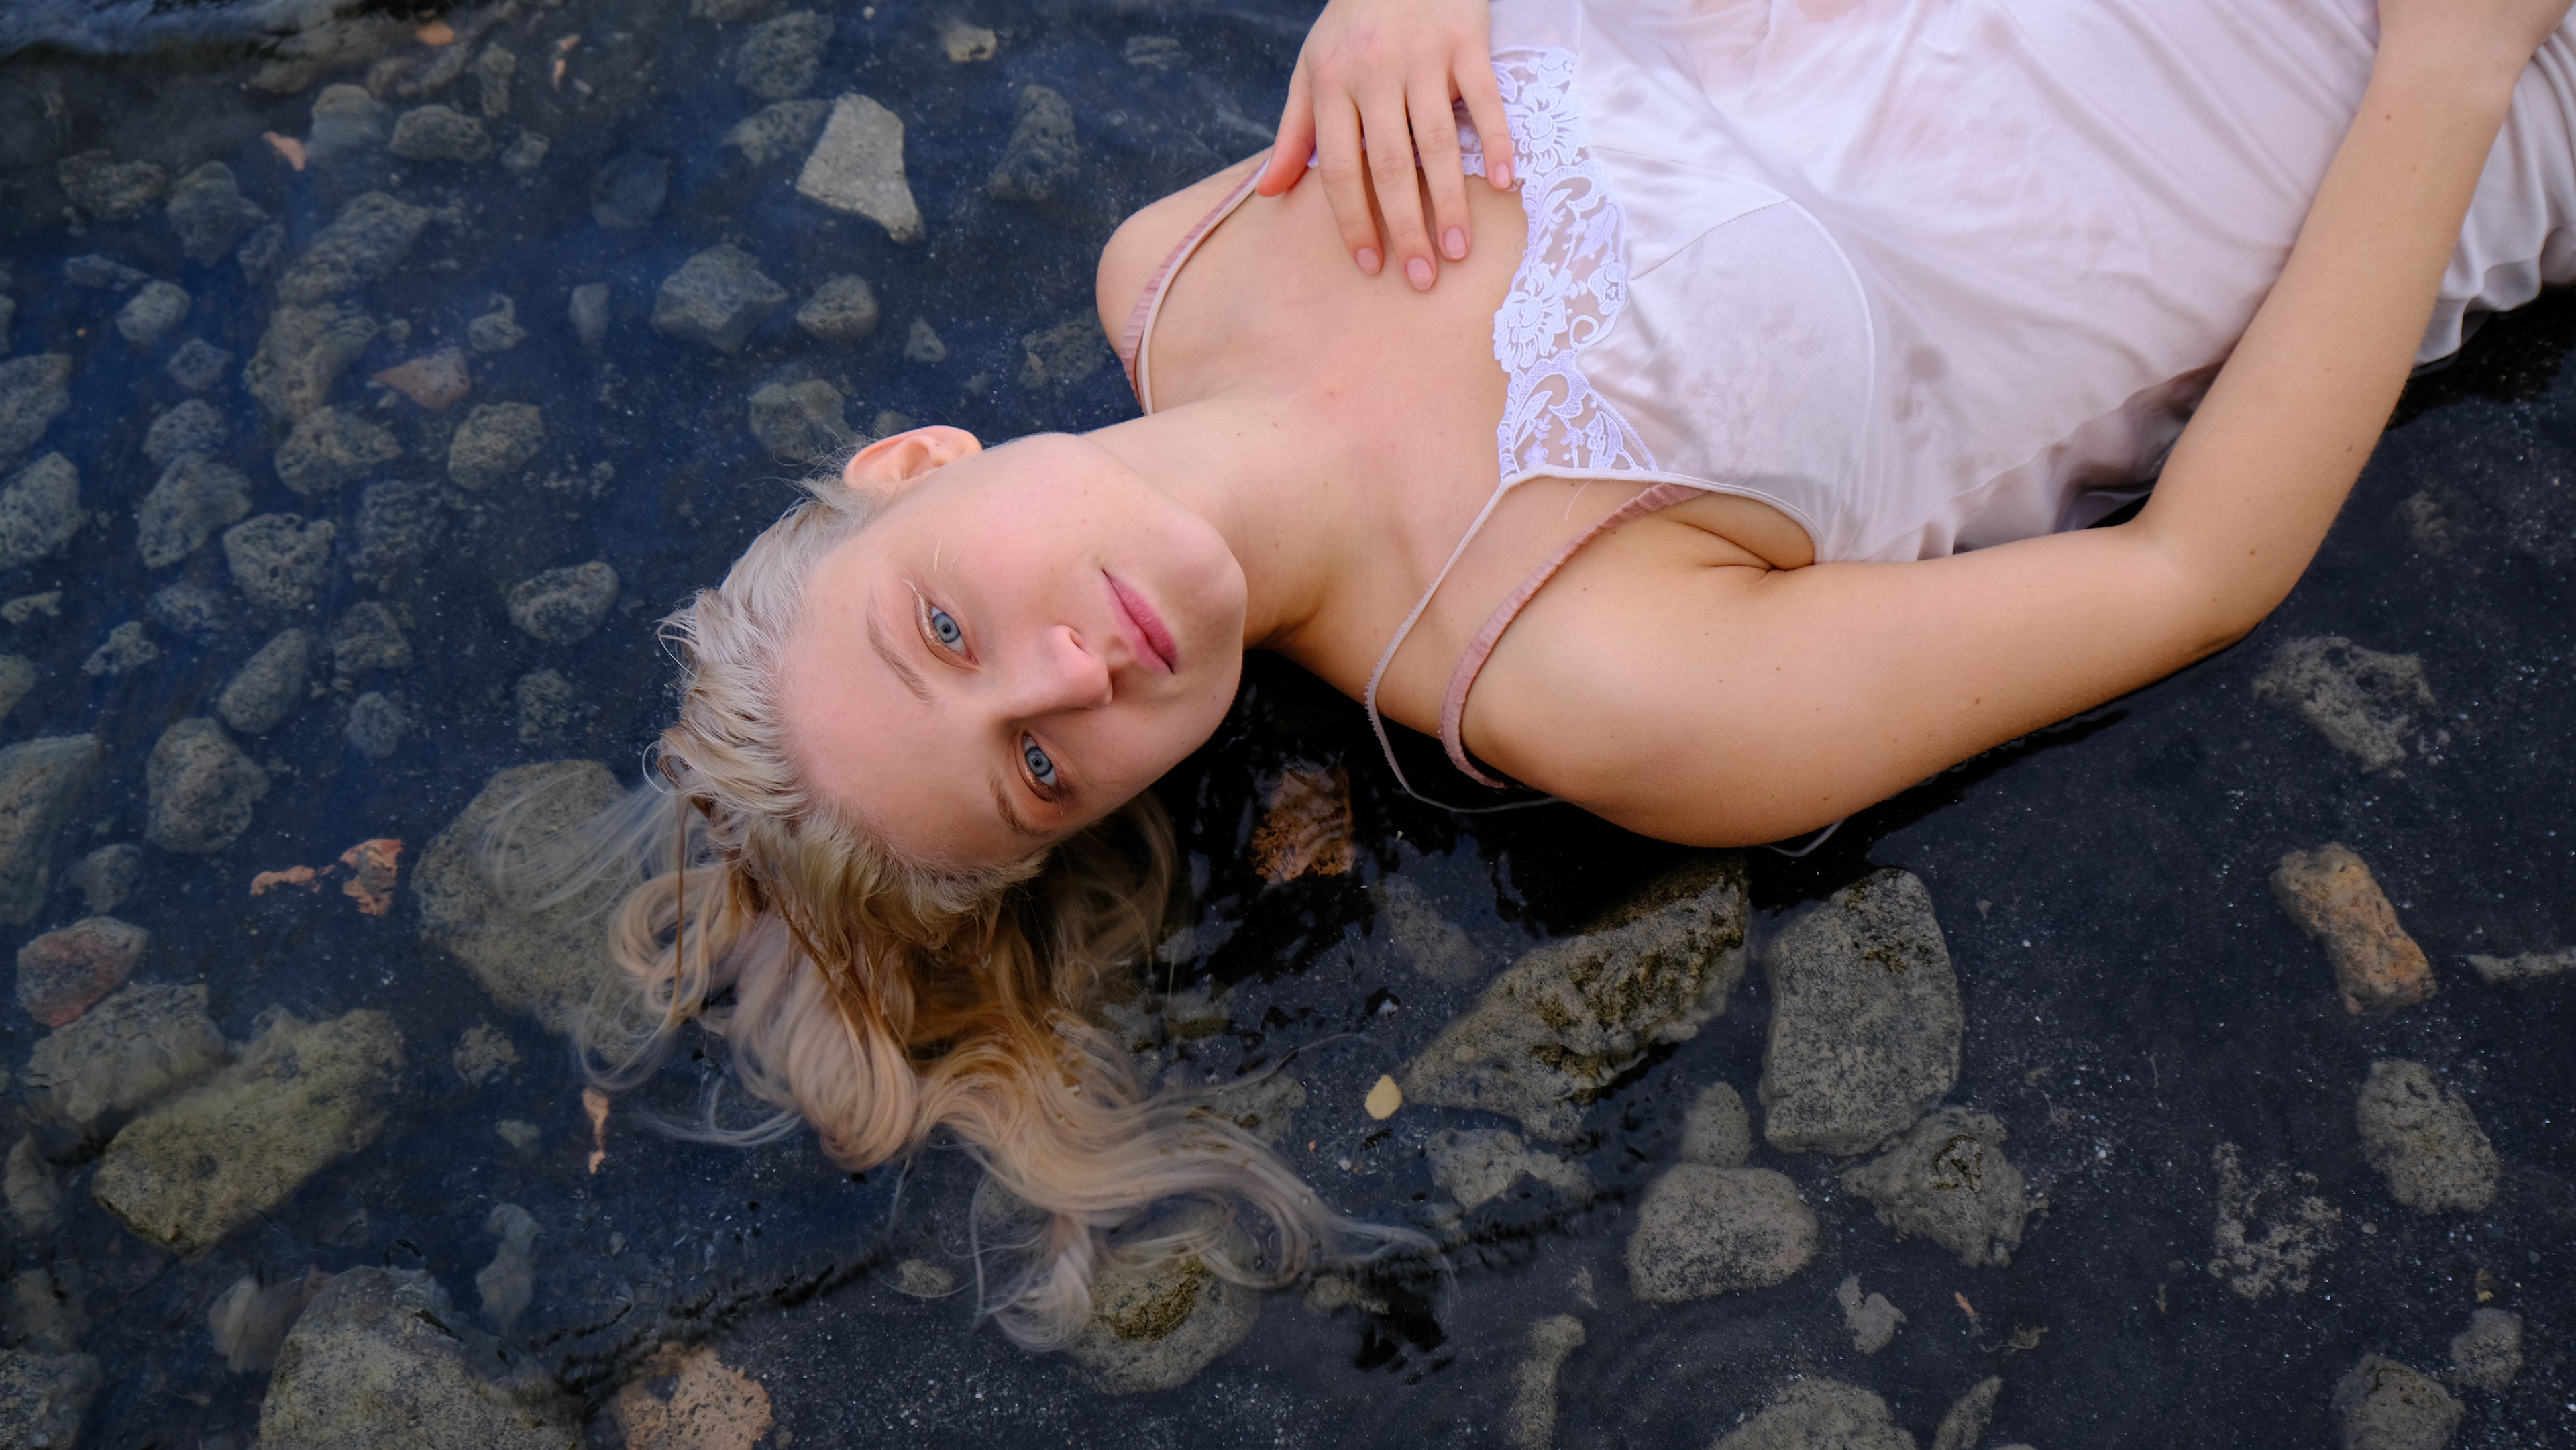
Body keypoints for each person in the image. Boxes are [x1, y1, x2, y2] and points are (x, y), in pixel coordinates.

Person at [529, 0, 2576, 1345]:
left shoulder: (1181, 255)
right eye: (1038, 769)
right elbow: (2193, 571)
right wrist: (2459, 63)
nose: (1065, 674)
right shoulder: (1590, 682)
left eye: (944, 628)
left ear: (913, 467)